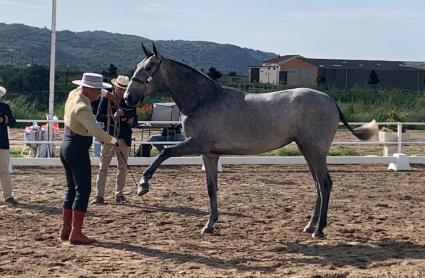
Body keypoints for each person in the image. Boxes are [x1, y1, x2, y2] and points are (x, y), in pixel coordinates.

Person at [59, 73, 122, 245]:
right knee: (83, 190)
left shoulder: (75, 94)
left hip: (66, 144)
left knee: (71, 188)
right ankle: (76, 232)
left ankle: (66, 229)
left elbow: (83, 88)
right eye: (96, 91)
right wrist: (113, 140)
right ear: (89, 89)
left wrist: (104, 93)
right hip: (77, 148)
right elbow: (95, 130)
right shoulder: (83, 107)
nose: (97, 95)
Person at [91, 75, 137, 205]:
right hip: (109, 136)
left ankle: (119, 194)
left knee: (122, 167)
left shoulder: (130, 101)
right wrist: (113, 116)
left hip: (124, 137)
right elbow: (99, 117)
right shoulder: (106, 99)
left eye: (124, 89)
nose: (122, 91)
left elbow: (135, 121)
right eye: (120, 88)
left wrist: (129, 121)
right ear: (115, 87)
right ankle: (99, 195)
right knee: (103, 167)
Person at [0, 86, 17, 204]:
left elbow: (12, 122)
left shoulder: (5, 107)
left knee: (4, 169)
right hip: (2, 141)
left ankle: (8, 195)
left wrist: (5, 120)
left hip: (2, 142)